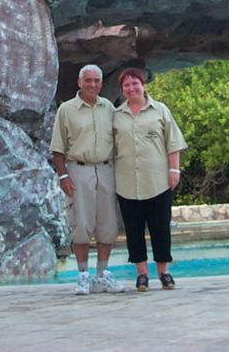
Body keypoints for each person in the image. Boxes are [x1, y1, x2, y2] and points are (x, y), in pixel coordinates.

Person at [50, 64, 125, 295]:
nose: (92, 84)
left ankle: (102, 274)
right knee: (80, 224)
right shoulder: (66, 110)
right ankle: (83, 275)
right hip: (78, 170)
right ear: (80, 82)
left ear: (101, 83)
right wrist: (63, 175)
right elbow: (58, 147)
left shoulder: (109, 108)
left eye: (96, 80)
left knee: (107, 224)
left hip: (106, 170)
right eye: (88, 80)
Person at [112, 67, 187, 292]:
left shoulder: (160, 110)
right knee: (133, 231)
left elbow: (173, 142)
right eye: (127, 85)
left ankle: (164, 272)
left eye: (135, 83)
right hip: (126, 182)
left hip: (158, 181)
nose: (131, 88)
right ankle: (142, 274)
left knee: (160, 228)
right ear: (122, 89)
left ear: (143, 85)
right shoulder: (116, 115)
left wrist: (174, 170)